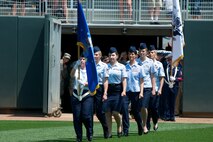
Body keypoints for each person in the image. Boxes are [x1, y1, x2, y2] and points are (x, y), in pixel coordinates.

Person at [102, 47, 127, 138]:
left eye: (113, 55)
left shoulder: (121, 66)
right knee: (107, 112)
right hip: (109, 90)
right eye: (110, 55)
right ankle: (109, 132)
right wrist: (105, 92)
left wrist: (124, 90)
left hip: (118, 90)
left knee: (116, 112)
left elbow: (124, 79)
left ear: (117, 56)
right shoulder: (106, 66)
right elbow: (105, 79)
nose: (111, 57)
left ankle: (119, 126)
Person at [70, 55, 94, 142]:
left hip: (86, 94)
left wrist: (85, 83)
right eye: (80, 59)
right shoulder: (77, 69)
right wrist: (76, 65)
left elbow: (94, 82)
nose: (82, 61)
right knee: (77, 117)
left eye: (84, 59)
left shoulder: (90, 70)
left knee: (86, 116)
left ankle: (89, 132)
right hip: (76, 94)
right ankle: (79, 136)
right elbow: (72, 75)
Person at [122, 46, 143, 136]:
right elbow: (124, 79)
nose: (131, 55)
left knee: (135, 111)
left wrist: (141, 92)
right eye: (130, 54)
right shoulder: (125, 67)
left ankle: (140, 126)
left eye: (133, 54)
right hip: (126, 91)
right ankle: (126, 130)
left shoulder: (139, 67)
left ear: (136, 55)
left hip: (136, 91)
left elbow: (142, 81)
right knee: (125, 110)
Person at [137, 43, 156, 134]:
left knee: (144, 107)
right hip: (137, 88)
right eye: (140, 51)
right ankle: (141, 124)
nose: (142, 52)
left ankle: (144, 125)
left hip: (147, 87)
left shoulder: (150, 62)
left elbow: (152, 76)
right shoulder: (136, 61)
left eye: (143, 51)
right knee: (138, 108)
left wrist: (153, 88)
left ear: (147, 52)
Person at [146, 45, 165, 131]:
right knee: (147, 108)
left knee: (154, 108)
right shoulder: (145, 63)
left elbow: (162, 78)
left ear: (155, 53)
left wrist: (160, 89)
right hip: (147, 88)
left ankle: (155, 121)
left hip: (156, 89)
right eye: (149, 52)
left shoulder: (159, 64)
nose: (150, 54)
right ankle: (147, 125)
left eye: (152, 52)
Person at [93, 46, 109, 138]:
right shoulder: (89, 65)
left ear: (100, 55)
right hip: (90, 88)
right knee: (88, 111)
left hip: (99, 88)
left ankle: (105, 128)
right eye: (94, 54)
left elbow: (105, 80)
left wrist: (105, 93)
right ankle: (90, 133)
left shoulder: (104, 66)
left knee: (99, 112)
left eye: (97, 54)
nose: (95, 56)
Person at [161, 53, 181, 121]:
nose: (170, 61)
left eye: (171, 60)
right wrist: (167, 56)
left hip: (174, 86)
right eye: (169, 60)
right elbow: (162, 60)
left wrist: (175, 79)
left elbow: (181, 78)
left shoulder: (178, 68)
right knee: (166, 102)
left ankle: (172, 116)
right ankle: (167, 116)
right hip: (167, 86)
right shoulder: (166, 67)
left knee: (172, 102)